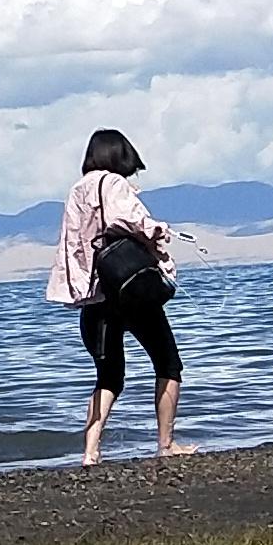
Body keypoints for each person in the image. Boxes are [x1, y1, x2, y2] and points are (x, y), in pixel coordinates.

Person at [49, 122, 182, 466]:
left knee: (108, 376)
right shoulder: (115, 184)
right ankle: (166, 444)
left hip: (95, 296)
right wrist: (160, 231)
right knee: (167, 363)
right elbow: (130, 221)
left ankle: (90, 451)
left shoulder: (76, 190)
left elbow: (73, 248)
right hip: (128, 289)